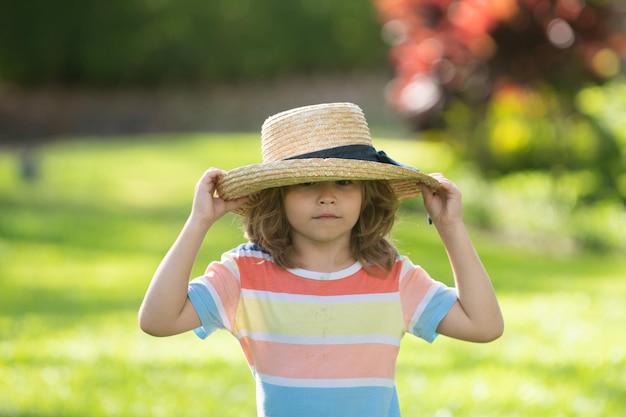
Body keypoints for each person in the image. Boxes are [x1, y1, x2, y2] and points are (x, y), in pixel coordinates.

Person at [138, 102, 503, 417]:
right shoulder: (245, 274)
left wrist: (450, 226)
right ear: (277, 196)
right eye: (307, 183)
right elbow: (158, 319)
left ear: (366, 195)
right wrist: (198, 222)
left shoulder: (391, 276)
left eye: (344, 183)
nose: (327, 197)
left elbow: (484, 326)